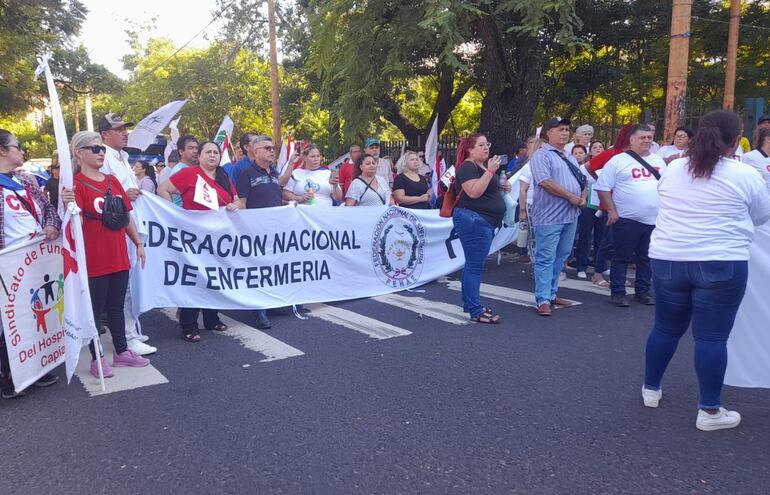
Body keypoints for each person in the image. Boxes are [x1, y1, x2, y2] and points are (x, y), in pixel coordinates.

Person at [642, 110, 770, 431]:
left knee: (665, 328)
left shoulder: (674, 168)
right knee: (712, 337)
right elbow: (761, 216)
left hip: (668, 258)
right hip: (721, 261)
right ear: (736, 140)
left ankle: (651, 389)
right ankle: (709, 411)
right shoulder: (744, 174)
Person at [66, 131, 150, 378]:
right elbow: (76, 226)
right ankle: (97, 357)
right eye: (95, 149)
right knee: (94, 311)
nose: (101, 153)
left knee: (116, 307)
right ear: (79, 153)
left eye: (102, 148)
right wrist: (69, 206)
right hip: (94, 258)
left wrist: (137, 242)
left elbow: (126, 215)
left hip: (118, 255)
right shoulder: (76, 186)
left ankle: (122, 351)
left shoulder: (112, 181)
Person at [157, 141, 240, 342]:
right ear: (200, 156)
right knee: (194, 280)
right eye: (208, 152)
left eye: (216, 152)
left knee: (214, 278)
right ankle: (189, 325)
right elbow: (163, 189)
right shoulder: (189, 174)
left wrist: (234, 205)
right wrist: (174, 214)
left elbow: (236, 199)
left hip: (218, 238)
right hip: (194, 238)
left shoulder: (223, 176)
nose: (212, 155)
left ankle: (212, 319)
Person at [0, 129, 61, 398]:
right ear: (2, 151)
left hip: (37, 261)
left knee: (35, 313)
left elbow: (48, 210)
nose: (22, 151)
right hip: (8, 266)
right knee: (9, 320)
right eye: (17, 146)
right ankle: (9, 375)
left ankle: (36, 366)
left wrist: (51, 225)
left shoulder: (26, 181)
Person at [98, 113, 156, 355]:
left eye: (125, 129)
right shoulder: (104, 157)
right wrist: (123, 195)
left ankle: (133, 330)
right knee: (125, 286)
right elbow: (103, 191)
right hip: (118, 226)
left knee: (133, 281)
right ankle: (128, 337)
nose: (125, 133)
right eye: (118, 129)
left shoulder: (122, 157)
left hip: (130, 223)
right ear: (105, 134)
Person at [595, 124, 666, 307]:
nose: (646, 141)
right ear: (632, 139)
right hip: (626, 219)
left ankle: (642, 291)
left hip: (654, 220)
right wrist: (612, 210)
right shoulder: (618, 161)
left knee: (647, 258)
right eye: (642, 137)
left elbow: (666, 187)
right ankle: (618, 292)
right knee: (622, 257)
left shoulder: (658, 161)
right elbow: (602, 187)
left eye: (649, 137)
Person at [451, 133, 511, 323]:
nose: (486, 148)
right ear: (470, 149)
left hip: (481, 220)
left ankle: (470, 304)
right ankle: (475, 310)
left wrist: (502, 186)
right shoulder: (467, 167)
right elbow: (474, 192)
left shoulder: (480, 167)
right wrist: (491, 171)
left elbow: (486, 189)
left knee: (473, 264)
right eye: (481, 145)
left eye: (487, 144)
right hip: (474, 220)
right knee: (475, 266)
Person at [530, 118, 586, 316]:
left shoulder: (569, 156)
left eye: (567, 129)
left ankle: (551, 293)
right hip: (549, 216)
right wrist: (571, 196)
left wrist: (582, 197)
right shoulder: (541, 155)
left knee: (561, 256)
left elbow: (582, 180)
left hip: (570, 215)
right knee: (546, 257)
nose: (565, 133)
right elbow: (545, 182)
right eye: (560, 129)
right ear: (549, 133)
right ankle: (543, 299)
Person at [235, 135, 282, 329]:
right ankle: (259, 310)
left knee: (273, 267)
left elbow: (276, 196)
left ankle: (272, 303)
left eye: (272, 148)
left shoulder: (275, 172)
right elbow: (242, 203)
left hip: (275, 228)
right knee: (258, 269)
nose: (271, 151)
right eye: (267, 148)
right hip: (255, 231)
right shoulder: (246, 173)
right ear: (255, 152)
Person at [572, 144, 605, 280]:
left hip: (603, 204)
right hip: (589, 204)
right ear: (590, 153)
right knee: (585, 236)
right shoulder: (585, 167)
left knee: (601, 236)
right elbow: (582, 184)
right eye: (595, 147)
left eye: (600, 147)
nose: (598, 149)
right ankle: (581, 265)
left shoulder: (609, 166)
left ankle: (600, 266)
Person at [516, 138, 546, 262]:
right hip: (532, 205)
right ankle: (536, 263)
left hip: (548, 206)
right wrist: (522, 210)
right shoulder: (528, 167)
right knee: (534, 236)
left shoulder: (548, 165)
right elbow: (523, 190)